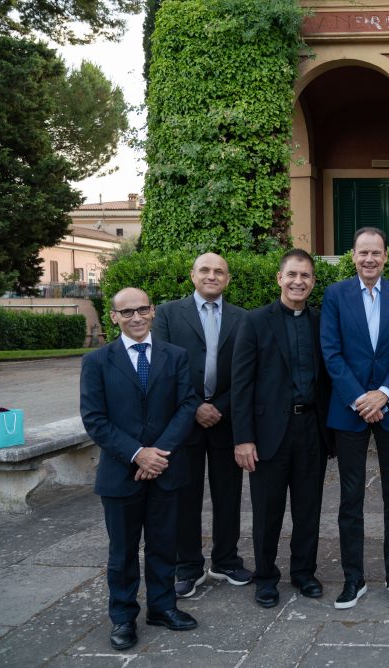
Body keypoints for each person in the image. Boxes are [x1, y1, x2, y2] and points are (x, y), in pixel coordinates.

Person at [80, 287, 199, 651]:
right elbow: (95, 419)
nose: (136, 317)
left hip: (165, 468)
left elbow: (187, 404)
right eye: (127, 311)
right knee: (123, 553)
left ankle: (162, 607)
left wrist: (157, 453)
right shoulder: (97, 362)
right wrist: (137, 454)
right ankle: (122, 618)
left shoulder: (176, 356)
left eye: (142, 310)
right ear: (113, 316)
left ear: (153, 312)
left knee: (164, 546)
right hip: (120, 474)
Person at [320, 227, 389, 609]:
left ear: (386, 256)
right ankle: (353, 578)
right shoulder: (335, 295)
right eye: (363, 252)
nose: (369, 259)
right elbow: (331, 352)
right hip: (350, 410)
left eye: (376, 253)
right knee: (350, 498)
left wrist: (385, 393)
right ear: (353, 256)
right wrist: (362, 398)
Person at [231, 249, 334, 609]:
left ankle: (304, 573)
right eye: (292, 274)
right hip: (269, 432)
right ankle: (265, 577)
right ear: (279, 278)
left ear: (313, 282)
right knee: (267, 510)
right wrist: (242, 438)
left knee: (309, 508)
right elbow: (241, 384)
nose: (298, 281)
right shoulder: (255, 322)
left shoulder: (322, 321)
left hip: (312, 430)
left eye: (305, 276)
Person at [153, 253, 251, 599]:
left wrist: (218, 407)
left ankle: (226, 560)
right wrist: (195, 407)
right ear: (193, 274)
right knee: (185, 496)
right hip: (184, 421)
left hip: (226, 420)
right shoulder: (166, 314)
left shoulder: (242, 318)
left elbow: (245, 373)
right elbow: (162, 368)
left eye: (219, 271)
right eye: (205, 270)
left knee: (228, 496)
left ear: (227, 278)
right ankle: (188, 566)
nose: (212, 276)